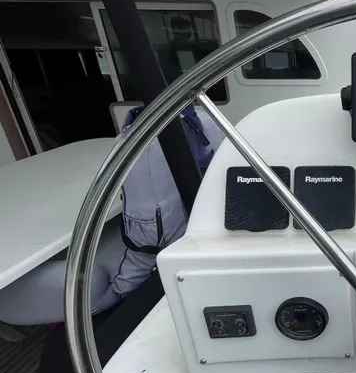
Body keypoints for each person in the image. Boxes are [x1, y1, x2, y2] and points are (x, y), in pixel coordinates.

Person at [0, 104, 220, 325]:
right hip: (179, 244)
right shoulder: (198, 121)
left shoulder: (142, 146)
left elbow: (147, 238)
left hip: (137, 266)